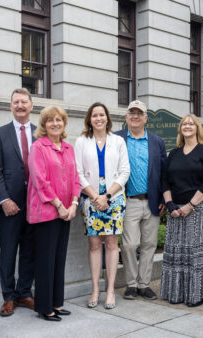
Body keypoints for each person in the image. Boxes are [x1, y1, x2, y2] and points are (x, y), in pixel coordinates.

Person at [27, 106, 82, 321]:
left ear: (64, 123)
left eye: (59, 120)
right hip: (47, 211)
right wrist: (59, 205)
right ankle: (44, 307)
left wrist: (74, 204)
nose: (55, 123)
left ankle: (57, 303)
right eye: (50, 121)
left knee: (59, 259)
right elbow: (40, 180)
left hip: (67, 211)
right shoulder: (38, 147)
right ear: (44, 125)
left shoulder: (68, 148)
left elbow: (76, 178)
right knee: (46, 260)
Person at [160, 114, 203, 307]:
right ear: (180, 129)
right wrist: (170, 205)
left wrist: (190, 206)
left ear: (197, 128)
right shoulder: (174, 154)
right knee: (178, 255)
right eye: (184, 124)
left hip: (200, 211)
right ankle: (176, 293)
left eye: (191, 123)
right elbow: (165, 181)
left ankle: (197, 294)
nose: (187, 126)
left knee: (196, 255)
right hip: (176, 212)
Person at [74, 102, 130, 309]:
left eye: (102, 115)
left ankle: (110, 290)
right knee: (95, 244)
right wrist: (95, 196)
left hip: (114, 198)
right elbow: (77, 172)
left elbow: (125, 171)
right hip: (90, 199)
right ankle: (95, 289)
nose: (98, 118)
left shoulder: (118, 141)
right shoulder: (81, 141)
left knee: (112, 243)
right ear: (89, 119)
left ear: (107, 118)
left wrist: (106, 195)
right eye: (94, 115)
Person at [0, 88, 36, 316]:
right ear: (11, 106)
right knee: (8, 251)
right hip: (9, 204)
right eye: (16, 102)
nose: (20, 105)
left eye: (24, 102)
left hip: (35, 205)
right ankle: (8, 296)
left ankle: (24, 292)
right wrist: (4, 199)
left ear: (31, 106)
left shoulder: (41, 133)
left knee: (29, 250)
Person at [114, 100, 167, 301]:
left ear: (146, 118)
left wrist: (163, 197)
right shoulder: (117, 139)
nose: (135, 116)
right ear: (126, 117)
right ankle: (131, 284)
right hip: (129, 201)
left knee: (149, 244)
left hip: (152, 201)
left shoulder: (157, 142)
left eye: (139, 113)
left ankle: (144, 285)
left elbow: (163, 172)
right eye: (131, 113)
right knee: (128, 245)